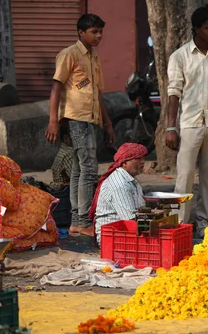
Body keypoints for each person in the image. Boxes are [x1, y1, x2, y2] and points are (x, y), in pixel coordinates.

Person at [165, 6, 208, 240]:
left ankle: (206, 224)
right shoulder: (180, 56)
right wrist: (170, 127)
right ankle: (180, 225)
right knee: (184, 176)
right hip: (190, 123)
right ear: (196, 29)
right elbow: (173, 93)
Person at [45, 13, 116, 237]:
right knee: (88, 168)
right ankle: (83, 219)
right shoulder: (69, 54)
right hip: (76, 118)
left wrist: (108, 122)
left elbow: (98, 92)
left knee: (78, 169)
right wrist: (53, 121)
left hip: (91, 118)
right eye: (94, 32)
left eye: (100, 32)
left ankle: (77, 220)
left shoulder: (93, 58)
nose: (99, 36)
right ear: (81, 32)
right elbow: (56, 87)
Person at [90, 143, 148, 246]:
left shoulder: (132, 180)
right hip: (112, 238)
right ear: (124, 163)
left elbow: (140, 209)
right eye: (138, 159)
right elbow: (130, 221)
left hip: (125, 231)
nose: (143, 162)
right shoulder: (120, 184)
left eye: (143, 158)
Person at [49, 124, 74, 191]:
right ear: (66, 138)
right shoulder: (69, 154)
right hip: (68, 192)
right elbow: (78, 178)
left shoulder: (64, 151)